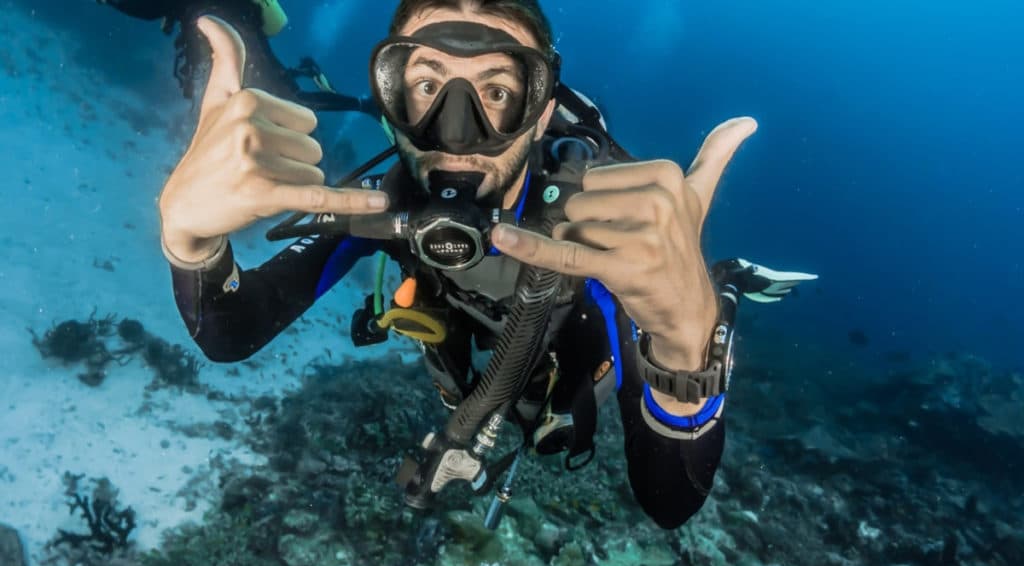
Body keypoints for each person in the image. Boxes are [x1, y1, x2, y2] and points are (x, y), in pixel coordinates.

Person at [151, 0, 814, 530]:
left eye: (498, 90)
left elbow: (670, 502)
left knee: (689, 298)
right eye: (427, 84)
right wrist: (191, 241)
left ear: (541, 111)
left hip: (571, 377)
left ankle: (720, 287)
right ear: (389, 103)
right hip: (482, 378)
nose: (457, 133)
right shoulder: (382, 204)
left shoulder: (600, 235)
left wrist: (684, 340)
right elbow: (230, 330)